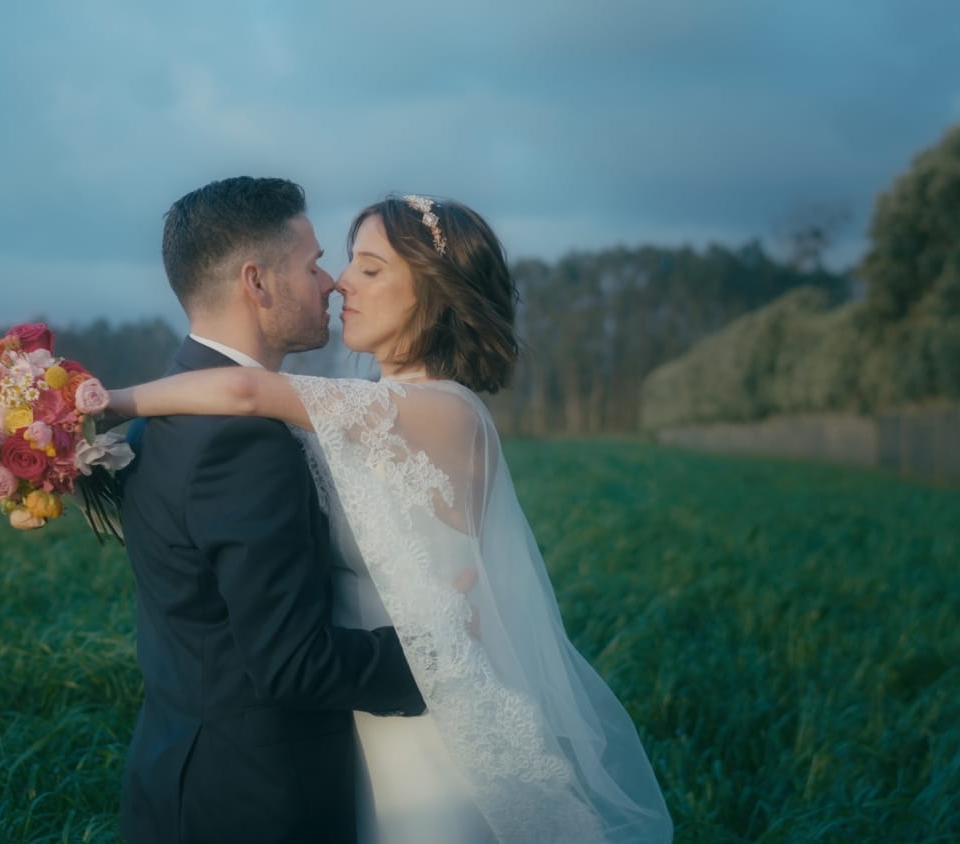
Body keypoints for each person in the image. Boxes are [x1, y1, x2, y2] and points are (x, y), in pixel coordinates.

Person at [111, 194, 675, 842]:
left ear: (432, 295)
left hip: (424, 722)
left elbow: (243, 391)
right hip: (355, 714)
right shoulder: (355, 413)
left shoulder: (446, 414)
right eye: (347, 262)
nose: (342, 281)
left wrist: (109, 403)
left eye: (370, 269)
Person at [117, 176, 427, 844]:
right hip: (255, 805)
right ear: (256, 283)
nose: (332, 284)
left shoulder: (157, 416)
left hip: (177, 777)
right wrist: (442, 663)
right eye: (313, 265)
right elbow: (294, 665)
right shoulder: (241, 443)